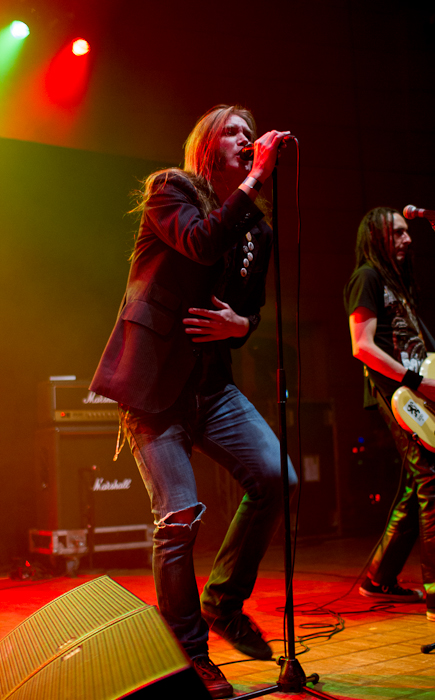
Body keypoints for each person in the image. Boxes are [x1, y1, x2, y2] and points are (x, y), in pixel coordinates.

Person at [90, 105, 297, 699]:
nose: (247, 139)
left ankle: (224, 602)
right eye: (233, 131)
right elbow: (201, 245)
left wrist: (242, 327)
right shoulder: (170, 191)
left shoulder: (256, 226)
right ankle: (189, 656)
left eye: (250, 134)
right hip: (155, 391)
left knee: (277, 477)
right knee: (178, 518)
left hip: (211, 387)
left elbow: (249, 308)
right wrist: (256, 178)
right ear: (206, 145)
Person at [344, 206, 435, 623]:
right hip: (398, 396)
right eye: (397, 232)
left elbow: (415, 351)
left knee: (419, 485)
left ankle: (379, 577)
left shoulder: (399, 285)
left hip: (414, 392)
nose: (408, 238)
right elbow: (362, 346)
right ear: (377, 236)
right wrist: (417, 384)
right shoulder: (368, 277)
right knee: (434, 481)